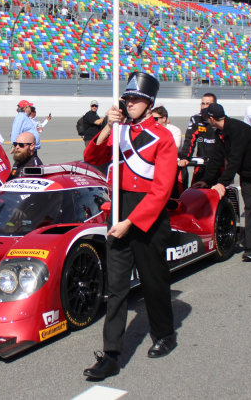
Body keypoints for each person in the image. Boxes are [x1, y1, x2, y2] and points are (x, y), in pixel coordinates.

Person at [82, 72, 178, 381]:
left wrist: (130, 222)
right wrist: (108, 126)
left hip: (146, 216)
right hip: (119, 210)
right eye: (128, 98)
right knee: (117, 288)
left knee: (153, 282)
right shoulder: (118, 130)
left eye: (136, 99)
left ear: (149, 103)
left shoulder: (162, 138)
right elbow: (92, 156)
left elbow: (162, 190)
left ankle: (164, 333)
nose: (130, 102)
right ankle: (111, 355)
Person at [203, 103, 251, 262]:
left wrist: (222, 183)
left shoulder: (237, 129)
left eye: (206, 117)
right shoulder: (219, 133)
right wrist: (204, 181)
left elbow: (235, 159)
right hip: (247, 174)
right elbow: (216, 160)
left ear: (212, 118)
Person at [178, 92, 219, 186]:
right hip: (201, 163)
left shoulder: (219, 119)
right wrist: (185, 157)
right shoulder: (196, 119)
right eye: (203, 103)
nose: (204, 106)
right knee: (195, 191)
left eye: (208, 104)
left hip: (217, 164)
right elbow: (189, 139)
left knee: (219, 195)